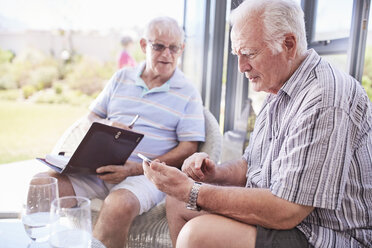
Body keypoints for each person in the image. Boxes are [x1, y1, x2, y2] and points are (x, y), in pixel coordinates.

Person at [142, 0, 372, 247]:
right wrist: (215, 174)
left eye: (249, 54)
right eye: (237, 55)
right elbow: (252, 163)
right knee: (177, 201)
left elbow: (287, 210)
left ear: (288, 45)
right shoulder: (279, 89)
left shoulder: (325, 97)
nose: (241, 67)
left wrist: (192, 190)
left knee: (198, 233)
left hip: (324, 234)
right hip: (292, 220)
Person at [39, 16, 205, 248]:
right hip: (97, 167)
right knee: (41, 186)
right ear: (144, 46)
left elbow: (189, 148)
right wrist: (107, 126)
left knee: (119, 204)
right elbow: (92, 117)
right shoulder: (121, 77)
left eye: (174, 47)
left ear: (182, 49)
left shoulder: (188, 92)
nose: (167, 54)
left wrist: (133, 169)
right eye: (159, 46)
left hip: (144, 175)